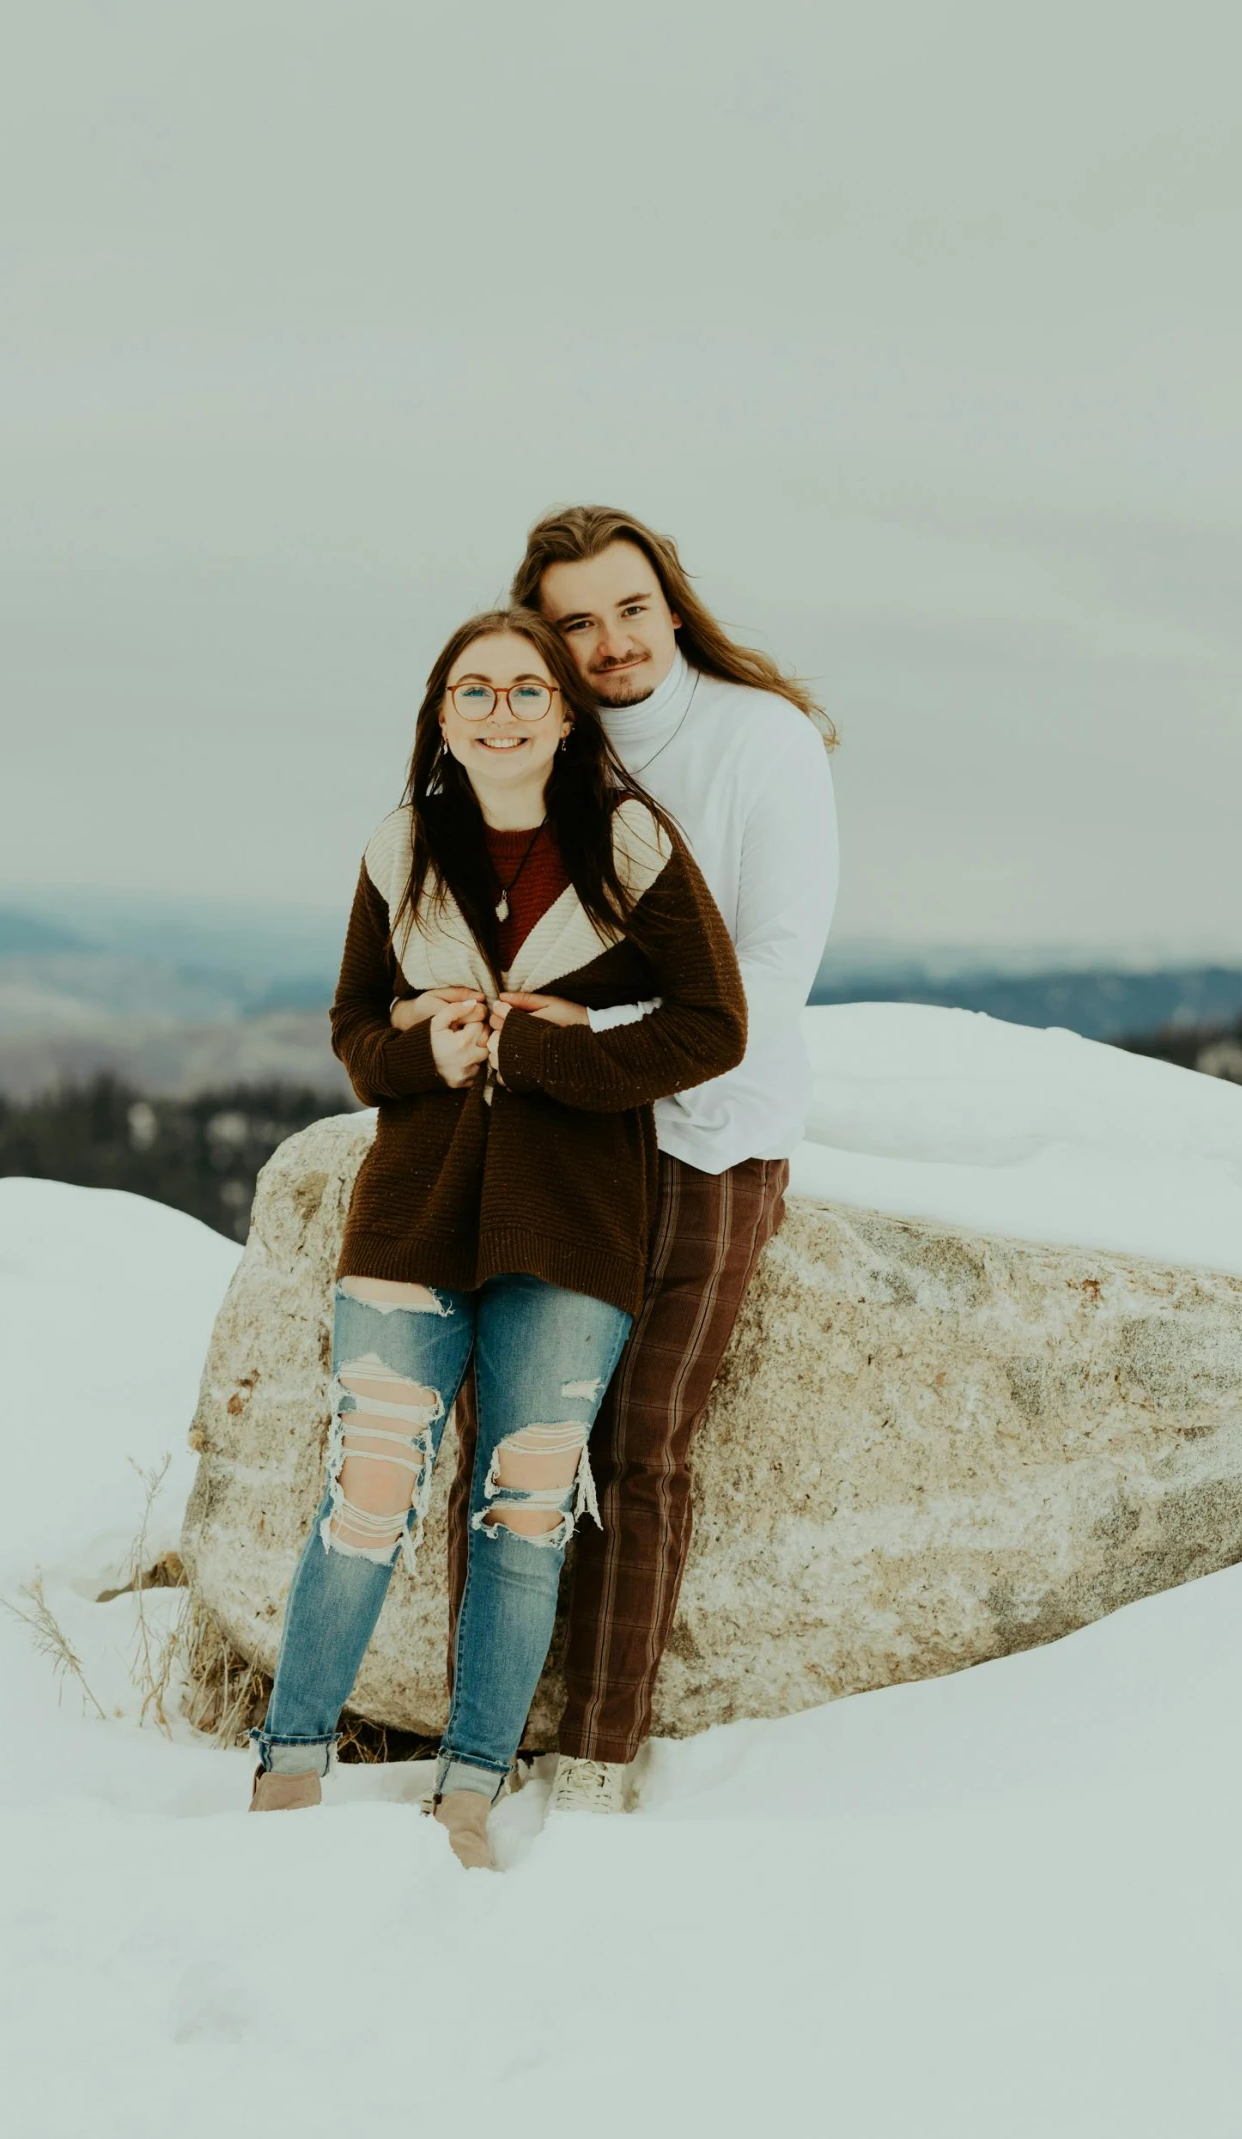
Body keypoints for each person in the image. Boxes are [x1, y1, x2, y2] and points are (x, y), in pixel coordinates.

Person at [249, 604, 748, 1868]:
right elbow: (356, 1029)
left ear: (565, 715)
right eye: (472, 691)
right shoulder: (401, 845)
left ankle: (469, 1790)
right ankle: (286, 1772)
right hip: (412, 1215)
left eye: (526, 690)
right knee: (363, 1498)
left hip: (573, 1223)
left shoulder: (627, 843)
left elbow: (709, 1023)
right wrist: (428, 1050)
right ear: (442, 716)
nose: (500, 711)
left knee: (523, 1511)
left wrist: (540, 1046)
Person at [444, 508, 839, 1813]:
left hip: (704, 1135)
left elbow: (773, 972)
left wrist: (598, 1038)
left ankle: (596, 1754)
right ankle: (477, 1744)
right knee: (510, 1438)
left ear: (668, 600)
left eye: (628, 606)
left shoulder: (757, 741)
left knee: (638, 1444)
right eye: (574, 620)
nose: (608, 641)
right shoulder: (541, 748)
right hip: (554, 1137)